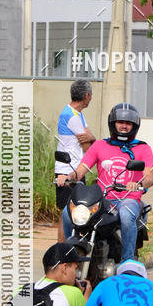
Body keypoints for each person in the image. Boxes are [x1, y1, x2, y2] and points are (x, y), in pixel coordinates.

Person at [57, 103, 153, 263]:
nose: (124, 126)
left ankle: (127, 263)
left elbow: (150, 177)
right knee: (68, 214)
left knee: (126, 214)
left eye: (128, 123)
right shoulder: (100, 145)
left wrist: (138, 183)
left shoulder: (142, 148)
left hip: (129, 199)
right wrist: (68, 176)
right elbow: (80, 170)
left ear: (134, 126)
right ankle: (71, 256)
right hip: (103, 200)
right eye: (120, 122)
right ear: (113, 123)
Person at [55, 79, 95, 241]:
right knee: (67, 213)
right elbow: (88, 147)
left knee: (78, 212)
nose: (90, 98)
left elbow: (89, 138)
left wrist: (92, 137)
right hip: (67, 171)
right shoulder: (70, 116)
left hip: (77, 170)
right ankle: (61, 250)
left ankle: (72, 249)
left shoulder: (77, 114)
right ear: (86, 96)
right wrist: (92, 138)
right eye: (90, 95)